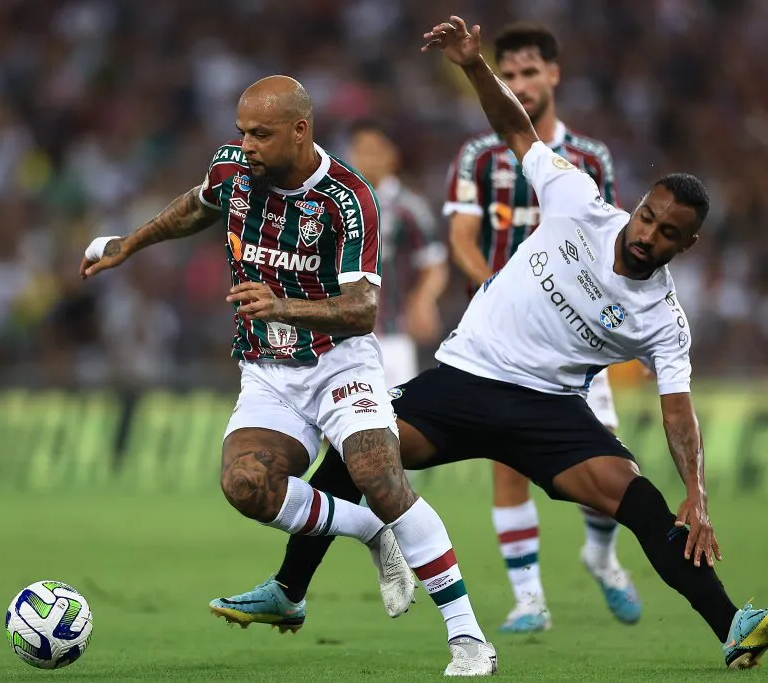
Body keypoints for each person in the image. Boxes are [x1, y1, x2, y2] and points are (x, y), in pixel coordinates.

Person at [211, 18, 768, 670]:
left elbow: (677, 409)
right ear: (635, 207)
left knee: (641, 500)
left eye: (667, 234)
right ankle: (289, 591)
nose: (648, 235)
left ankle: (733, 626)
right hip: (464, 378)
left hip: (547, 412)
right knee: (358, 456)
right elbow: (516, 129)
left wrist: (698, 490)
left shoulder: (663, 318)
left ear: (684, 247)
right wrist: (471, 65)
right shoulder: (577, 198)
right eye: (647, 217)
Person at [81, 74, 495, 676]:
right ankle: (372, 534)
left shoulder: (349, 200)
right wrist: (130, 243)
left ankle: (469, 639)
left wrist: (283, 306)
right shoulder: (234, 170)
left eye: (261, 134)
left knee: (381, 478)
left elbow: (363, 309)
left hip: (338, 362)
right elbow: (198, 204)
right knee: (244, 485)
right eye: (242, 132)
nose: (246, 144)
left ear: (300, 130)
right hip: (268, 372)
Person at [443, 22, 638, 632]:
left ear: (554, 75)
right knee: (508, 457)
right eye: (510, 74)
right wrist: (495, 286)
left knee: (607, 462)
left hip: (575, 335)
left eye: (530, 73)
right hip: (507, 333)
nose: (520, 84)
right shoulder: (479, 156)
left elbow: (608, 244)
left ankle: (600, 556)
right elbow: (461, 239)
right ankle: (529, 598)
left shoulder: (590, 158)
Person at [347, 119, 449, 388]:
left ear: (391, 155)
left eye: (373, 150)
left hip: (392, 335)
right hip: (340, 335)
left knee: (395, 415)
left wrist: (423, 301)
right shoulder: (337, 205)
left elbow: (434, 264)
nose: (364, 158)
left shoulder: (408, 206)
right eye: (359, 150)